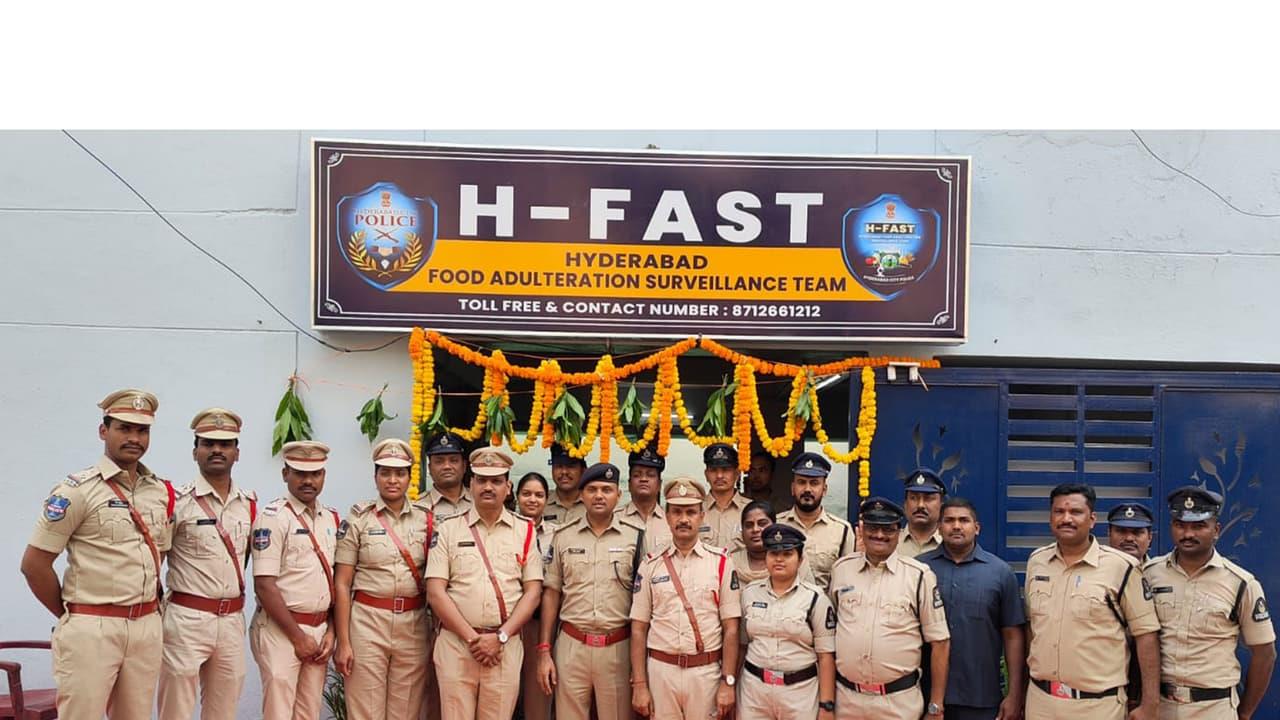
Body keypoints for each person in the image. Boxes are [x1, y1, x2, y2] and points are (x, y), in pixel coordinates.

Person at [22, 388, 172, 720]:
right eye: (124, 428)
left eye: (142, 430)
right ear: (104, 431)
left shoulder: (159, 492)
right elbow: (34, 565)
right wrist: (74, 616)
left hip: (145, 627)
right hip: (92, 628)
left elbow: (158, 554)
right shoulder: (76, 491)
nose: (134, 438)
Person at [1024, 482, 1159, 720]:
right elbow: (1032, 628)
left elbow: (1146, 636)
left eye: (1076, 512)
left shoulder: (1122, 567)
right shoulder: (1037, 562)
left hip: (1097, 706)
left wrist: (1150, 703)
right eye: (1059, 511)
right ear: (1050, 518)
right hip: (1041, 702)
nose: (1066, 519)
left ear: (1092, 519)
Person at [425, 448, 543, 720]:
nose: (488, 487)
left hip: (504, 647)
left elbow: (533, 593)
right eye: (481, 480)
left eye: (496, 481)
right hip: (456, 645)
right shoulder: (448, 529)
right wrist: (473, 639)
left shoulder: (525, 530)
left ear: (508, 488)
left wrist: (500, 637)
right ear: (471, 484)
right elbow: (435, 592)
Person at [158, 408, 257, 720]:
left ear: (237, 453)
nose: (217, 450)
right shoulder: (176, 502)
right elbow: (155, 560)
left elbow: (244, 559)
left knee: (224, 710)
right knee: (176, 709)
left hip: (231, 622)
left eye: (225, 444)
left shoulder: (249, 505)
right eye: (208, 443)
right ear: (195, 452)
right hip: (186, 619)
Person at [1143, 486, 1276, 720]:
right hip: (1159, 708)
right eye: (1180, 525)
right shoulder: (1150, 574)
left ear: (1216, 530)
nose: (1187, 534)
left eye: (1198, 526)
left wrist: (1244, 713)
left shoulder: (1241, 583)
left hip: (1213, 709)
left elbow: (1265, 654)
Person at [332, 439, 432, 720]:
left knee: (406, 711)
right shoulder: (359, 518)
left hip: (413, 625)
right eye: (385, 472)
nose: (392, 480)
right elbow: (342, 583)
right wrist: (344, 641)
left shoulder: (426, 520)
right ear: (375, 476)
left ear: (410, 477)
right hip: (367, 622)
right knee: (366, 710)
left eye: (400, 473)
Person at [538, 462, 646, 720]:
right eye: (592, 489)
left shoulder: (635, 537)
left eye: (606, 490)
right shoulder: (563, 536)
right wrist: (544, 650)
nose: (599, 496)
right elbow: (552, 593)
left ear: (618, 495)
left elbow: (643, 601)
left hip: (618, 647)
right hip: (572, 645)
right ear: (581, 495)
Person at [631, 477, 742, 720]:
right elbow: (638, 628)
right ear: (667, 516)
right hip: (661, 672)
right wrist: (639, 684)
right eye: (677, 512)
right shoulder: (650, 564)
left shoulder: (721, 563)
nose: (683, 519)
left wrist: (728, 682)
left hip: (705, 673)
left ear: (702, 516)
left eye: (691, 512)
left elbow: (731, 629)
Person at [829, 497, 950, 720]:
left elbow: (940, 643)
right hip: (846, 700)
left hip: (898, 704)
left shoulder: (919, 576)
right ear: (862, 529)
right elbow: (829, 634)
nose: (879, 535)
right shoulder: (841, 570)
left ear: (899, 532)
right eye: (873, 528)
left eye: (888, 529)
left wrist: (936, 705)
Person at [249, 440, 340, 720]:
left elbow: (334, 581)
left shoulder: (331, 519)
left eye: (315, 474)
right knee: (279, 711)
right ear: (285, 474)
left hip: (319, 630)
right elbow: (264, 585)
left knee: (308, 713)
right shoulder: (273, 518)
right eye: (300, 473)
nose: (308, 481)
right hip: (282, 630)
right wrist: (298, 638)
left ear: (324, 475)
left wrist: (331, 632)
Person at [919, 497, 1026, 720]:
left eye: (964, 520)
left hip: (981, 696)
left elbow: (1012, 635)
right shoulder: (919, 569)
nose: (956, 526)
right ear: (939, 528)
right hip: (925, 695)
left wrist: (1015, 694)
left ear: (976, 528)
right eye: (949, 520)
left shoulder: (1000, 573)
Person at [738, 523, 837, 720]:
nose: (779, 559)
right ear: (766, 557)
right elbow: (742, 645)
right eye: (773, 553)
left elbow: (826, 657)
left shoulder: (815, 599)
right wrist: (730, 684)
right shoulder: (749, 593)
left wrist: (826, 706)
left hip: (800, 694)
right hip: (754, 692)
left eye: (787, 554)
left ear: (800, 560)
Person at [775, 452, 855, 589]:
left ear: (824, 489)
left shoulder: (842, 530)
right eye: (801, 482)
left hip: (825, 601)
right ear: (792, 488)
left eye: (814, 483)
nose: (807, 489)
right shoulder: (776, 524)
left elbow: (848, 580)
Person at [1105, 501, 1154, 712]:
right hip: (1106, 687)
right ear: (1109, 534)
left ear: (1150, 537)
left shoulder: (1161, 575)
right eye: (1121, 531)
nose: (1129, 538)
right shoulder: (1094, 574)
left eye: (1137, 532)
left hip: (1152, 688)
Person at [515, 471, 553, 720]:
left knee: (538, 697)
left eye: (539, 495)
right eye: (526, 494)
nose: (532, 500)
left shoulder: (557, 534)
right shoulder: (506, 530)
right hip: (510, 624)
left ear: (547, 500)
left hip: (540, 625)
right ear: (516, 496)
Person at [731, 501, 815, 586]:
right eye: (749, 525)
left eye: (762, 524)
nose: (755, 529)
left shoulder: (795, 559)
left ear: (774, 526)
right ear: (742, 531)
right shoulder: (731, 562)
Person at [616, 447, 672, 555]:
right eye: (637, 475)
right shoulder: (614, 519)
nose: (643, 479)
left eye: (650, 475)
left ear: (659, 485)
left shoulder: (671, 520)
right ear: (629, 484)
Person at [701, 442, 751, 549]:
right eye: (713, 470)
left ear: (737, 474)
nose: (719, 476)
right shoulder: (695, 510)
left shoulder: (751, 510)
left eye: (725, 470)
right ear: (706, 475)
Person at [422, 431, 473, 519]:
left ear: (464, 466)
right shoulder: (418, 507)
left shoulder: (480, 502)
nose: (447, 466)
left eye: (454, 460)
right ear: (429, 468)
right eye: (439, 461)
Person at [900, 468, 945, 557]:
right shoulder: (889, 542)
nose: (920, 505)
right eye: (914, 498)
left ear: (941, 506)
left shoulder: (950, 544)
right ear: (905, 505)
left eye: (929, 499)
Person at [545, 444, 588, 527]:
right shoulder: (540, 502)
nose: (564, 472)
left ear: (583, 470)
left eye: (571, 466)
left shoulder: (593, 503)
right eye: (559, 466)